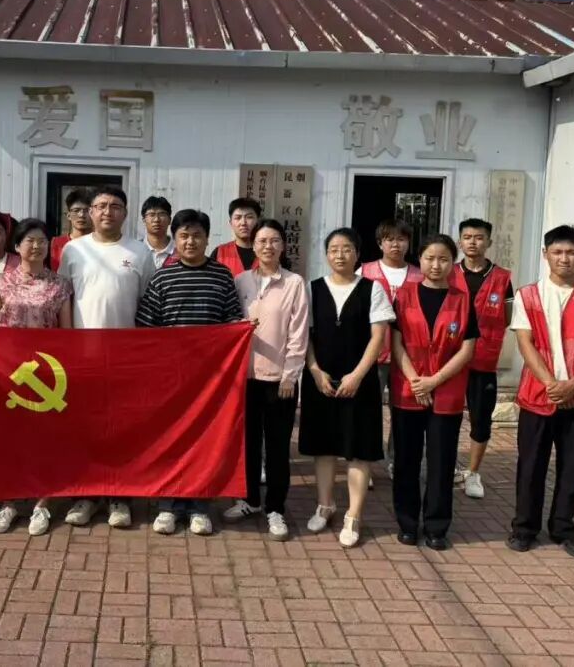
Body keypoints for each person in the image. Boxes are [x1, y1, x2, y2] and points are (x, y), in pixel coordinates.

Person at [136, 209, 244, 536]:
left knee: (203, 441)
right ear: (175, 239)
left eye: (197, 235)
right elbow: (146, 327)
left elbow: (231, 324)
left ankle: (199, 505)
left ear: (207, 239)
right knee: (169, 440)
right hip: (170, 378)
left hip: (210, 379)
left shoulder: (222, 275)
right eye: (183, 235)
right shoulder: (162, 277)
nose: (190, 241)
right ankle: (168, 505)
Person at [508, 225, 574, 560]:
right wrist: (554, 386)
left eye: (571, 252)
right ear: (545, 254)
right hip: (537, 395)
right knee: (531, 464)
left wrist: (573, 385)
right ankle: (524, 528)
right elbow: (525, 343)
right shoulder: (528, 295)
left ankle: (563, 528)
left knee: (573, 467)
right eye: (557, 252)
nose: (564, 258)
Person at [59, 185, 156, 529]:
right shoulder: (73, 251)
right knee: (85, 427)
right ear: (90, 212)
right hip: (83, 355)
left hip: (125, 357)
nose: (106, 212)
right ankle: (86, 495)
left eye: (115, 206)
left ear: (125, 213)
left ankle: (119, 496)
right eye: (100, 206)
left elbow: (147, 304)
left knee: (120, 428)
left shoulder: (140, 252)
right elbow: (64, 301)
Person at [300, 228, 394, 548]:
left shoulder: (373, 289)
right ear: (326, 254)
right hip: (320, 380)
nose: (340, 255)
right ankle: (325, 505)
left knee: (358, 450)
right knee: (324, 448)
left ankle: (353, 515)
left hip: (360, 381)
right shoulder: (312, 289)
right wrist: (314, 371)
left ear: (358, 254)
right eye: (334, 249)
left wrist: (357, 376)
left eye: (347, 249)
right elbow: (306, 336)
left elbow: (378, 337)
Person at [0, 219, 74, 536]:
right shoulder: (1, 283)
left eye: (42, 241)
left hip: (49, 375)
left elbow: (66, 334)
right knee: (12, 441)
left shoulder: (60, 285)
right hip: (11, 375)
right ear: (17, 246)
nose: (36, 246)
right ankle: (9, 503)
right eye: (30, 240)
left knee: (45, 441)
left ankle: (42, 504)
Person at [389, 234, 477, 550]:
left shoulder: (462, 299)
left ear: (452, 263)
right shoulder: (404, 295)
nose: (435, 265)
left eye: (443, 259)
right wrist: (416, 380)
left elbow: (467, 349)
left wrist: (433, 380)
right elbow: (396, 342)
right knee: (407, 461)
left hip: (446, 392)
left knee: (441, 461)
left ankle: (437, 526)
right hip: (408, 389)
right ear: (420, 260)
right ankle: (408, 523)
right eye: (429, 258)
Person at [226, 219, 309, 541]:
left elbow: (299, 333)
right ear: (253, 245)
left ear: (283, 246)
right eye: (262, 241)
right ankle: (249, 500)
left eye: (274, 240)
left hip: (279, 379)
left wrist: (290, 374)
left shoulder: (294, 284)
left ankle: (275, 507)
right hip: (245, 376)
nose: (268, 246)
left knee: (276, 446)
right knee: (247, 443)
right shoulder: (240, 281)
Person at [452, 218, 514, 499]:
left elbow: (509, 317)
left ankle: (473, 473)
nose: (473, 242)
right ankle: (449, 467)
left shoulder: (502, 278)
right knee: (447, 416)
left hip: (484, 359)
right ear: (460, 242)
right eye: (467, 237)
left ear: (489, 242)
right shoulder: (449, 273)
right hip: (450, 358)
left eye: (479, 237)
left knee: (481, 419)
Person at [362, 218, 423, 480]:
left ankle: (395, 461)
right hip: (372, 354)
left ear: (409, 243)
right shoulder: (364, 272)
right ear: (380, 243)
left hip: (408, 356)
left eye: (401, 239)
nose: (395, 244)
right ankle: (365, 464)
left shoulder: (420, 275)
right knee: (368, 411)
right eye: (389, 239)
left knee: (402, 412)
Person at [210, 198, 261, 277]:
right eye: (238, 218)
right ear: (231, 223)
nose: (243, 222)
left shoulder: (267, 251)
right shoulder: (219, 252)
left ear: (257, 221)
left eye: (249, 217)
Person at [49, 188, 92, 270]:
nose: (81, 215)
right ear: (68, 215)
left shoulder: (101, 244)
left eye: (86, 210)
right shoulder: (55, 244)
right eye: (76, 210)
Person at [141, 195, 175, 269]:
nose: (156, 219)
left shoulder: (179, 250)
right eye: (151, 215)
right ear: (144, 220)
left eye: (162, 214)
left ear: (170, 220)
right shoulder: (135, 249)